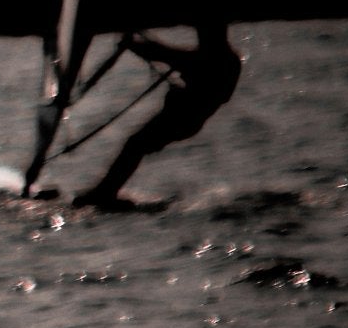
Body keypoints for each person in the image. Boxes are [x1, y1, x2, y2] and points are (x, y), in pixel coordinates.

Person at [75, 20, 242, 209]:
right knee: (135, 144)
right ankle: (105, 191)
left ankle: (105, 193)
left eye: (203, 34)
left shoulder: (217, 59)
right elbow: (169, 55)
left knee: (135, 144)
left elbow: (164, 54)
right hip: (183, 118)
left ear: (214, 35)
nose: (200, 38)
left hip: (183, 120)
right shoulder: (223, 59)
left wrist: (132, 43)